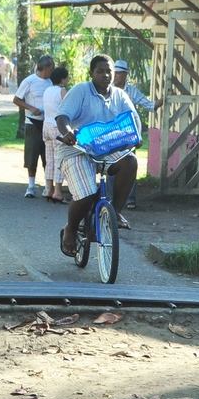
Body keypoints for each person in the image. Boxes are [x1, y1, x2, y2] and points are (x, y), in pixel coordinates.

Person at [56, 54, 139, 257]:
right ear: (91, 73)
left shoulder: (120, 95)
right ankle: (71, 229)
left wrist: (136, 135)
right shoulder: (81, 91)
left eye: (109, 70)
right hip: (78, 148)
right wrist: (67, 132)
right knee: (87, 194)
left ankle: (115, 212)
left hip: (107, 147)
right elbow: (62, 116)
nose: (105, 75)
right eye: (100, 71)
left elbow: (133, 119)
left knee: (130, 161)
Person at [112, 59, 156, 209]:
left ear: (125, 75)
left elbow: (149, 105)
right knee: (110, 164)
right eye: (115, 73)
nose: (116, 76)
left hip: (129, 132)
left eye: (119, 73)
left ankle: (130, 198)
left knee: (130, 165)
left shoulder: (132, 91)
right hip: (111, 132)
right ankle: (111, 198)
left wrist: (164, 100)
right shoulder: (107, 89)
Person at [12, 55, 55, 198]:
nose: (52, 71)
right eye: (51, 68)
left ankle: (48, 186)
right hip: (32, 122)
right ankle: (31, 185)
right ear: (44, 68)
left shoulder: (50, 82)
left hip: (47, 122)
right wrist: (30, 108)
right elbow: (17, 99)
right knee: (32, 154)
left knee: (47, 155)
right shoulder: (29, 81)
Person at [41, 67, 70, 203]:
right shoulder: (62, 91)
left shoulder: (47, 90)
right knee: (59, 159)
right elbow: (68, 108)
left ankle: (48, 188)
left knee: (49, 159)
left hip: (46, 126)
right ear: (63, 79)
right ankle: (58, 191)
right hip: (57, 127)